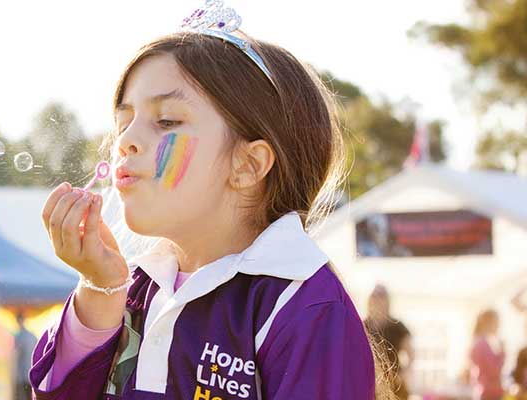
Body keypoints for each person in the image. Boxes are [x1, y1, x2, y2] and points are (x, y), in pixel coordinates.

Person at [29, 1, 395, 399]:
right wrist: (99, 288)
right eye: (123, 122)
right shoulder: (133, 289)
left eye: (166, 120)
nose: (125, 141)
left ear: (248, 165)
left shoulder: (302, 305)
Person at [364, 284, 414, 399]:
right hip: (371, 384)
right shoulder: (363, 325)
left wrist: (404, 374)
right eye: (374, 296)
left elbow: (411, 353)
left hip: (395, 385)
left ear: (387, 301)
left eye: (381, 297)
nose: (377, 300)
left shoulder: (397, 326)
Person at [469, 309, 505, 400]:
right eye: (497, 322)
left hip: (485, 391)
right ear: (488, 323)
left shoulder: (479, 342)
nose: (498, 326)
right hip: (488, 393)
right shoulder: (481, 344)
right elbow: (494, 371)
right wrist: (502, 353)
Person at [14, 312, 37, 400]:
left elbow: (17, 356)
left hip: (23, 373)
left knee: (24, 396)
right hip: (31, 372)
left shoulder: (19, 337)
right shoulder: (32, 336)